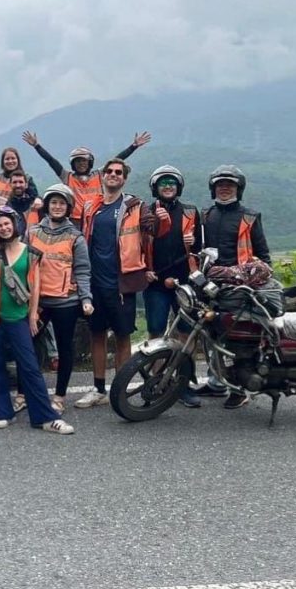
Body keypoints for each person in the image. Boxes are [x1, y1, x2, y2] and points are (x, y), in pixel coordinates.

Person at [75, 158, 171, 409]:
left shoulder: (135, 206)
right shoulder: (91, 206)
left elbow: (153, 230)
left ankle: (119, 389)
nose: (113, 174)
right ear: (103, 176)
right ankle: (98, 389)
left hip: (122, 282)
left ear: (124, 178)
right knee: (96, 334)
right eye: (109, 171)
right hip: (94, 282)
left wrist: (161, 220)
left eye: (119, 172)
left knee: (122, 335)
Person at [0, 207, 74, 434]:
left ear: (14, 224)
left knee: (30, 367)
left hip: (18, 317)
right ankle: (1, 412)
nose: (4, 228)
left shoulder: (31, 253)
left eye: (7, 223)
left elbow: (36, 286)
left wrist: (33, 315)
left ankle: (46, 418)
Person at [198, 164, 271, 409]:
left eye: (230, 185)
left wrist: (253, 277)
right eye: (220, 184)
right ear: (213, 188)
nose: (225, 188)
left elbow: (263, 255)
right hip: (210, 284)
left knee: (236, 339)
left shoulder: (250, 217)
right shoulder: (206, 215)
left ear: (239, 189)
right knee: (210, 334)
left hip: (240, 287)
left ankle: (239, 389)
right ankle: (216, 382)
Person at [27, 185, 94, 413]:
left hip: (66, 301)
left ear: (68, 207)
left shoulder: (76, 236)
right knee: (29, 348)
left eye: (62, 203)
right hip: (38, 302)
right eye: (53, 202)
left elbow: (82, 270)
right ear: (47, 205)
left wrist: (86, 298)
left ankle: (59, 396)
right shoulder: (33, 232)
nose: (57, 207)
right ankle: (25, 393)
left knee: (65, 349)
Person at [144, 165, 202, 408]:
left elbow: (200, 248)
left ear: (179, 187)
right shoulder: (145, 212)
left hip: (184, 282)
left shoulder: (190, 212)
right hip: (156, 282)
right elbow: (137, 245)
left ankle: (184, 383)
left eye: (172, 183)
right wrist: (144, 270)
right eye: (163, 183)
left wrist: (194, 241)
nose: (167, 186)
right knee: (156, 332)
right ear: (155, 187)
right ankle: (157, 381)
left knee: (186, 334)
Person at [22, 130, 152, 222]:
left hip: (96, 218)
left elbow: (117, 159)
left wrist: (133, 146)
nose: (81, 164)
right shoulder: (68, 177)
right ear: (73, 164)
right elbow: (51, 161)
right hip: (74, 221)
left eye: (84, 161)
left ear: (89, 162)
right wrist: (37, 146)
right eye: (78, 161)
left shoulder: (99, 175)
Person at [6, 169, 42, 239]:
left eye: (21, 182)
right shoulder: (6, 207)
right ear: (10, 185)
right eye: (15, 182)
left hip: (34, 244)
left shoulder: (36, 205)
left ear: (26, 185)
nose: (18, 185)